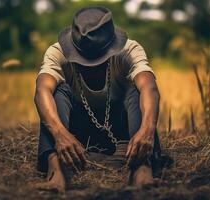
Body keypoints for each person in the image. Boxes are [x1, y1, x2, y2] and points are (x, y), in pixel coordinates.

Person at [34, 6, 162, 193]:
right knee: (56, 92)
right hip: (77, 133)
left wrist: (147, 130)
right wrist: (61, 134)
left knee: (136, 89)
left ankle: (142, 168)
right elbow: (41, 91)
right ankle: (57, 171)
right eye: (83, 59)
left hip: (122, 129)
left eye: (99, 60)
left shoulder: (129, 50)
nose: (91, 66)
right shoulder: (57, 52)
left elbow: (149, 87)